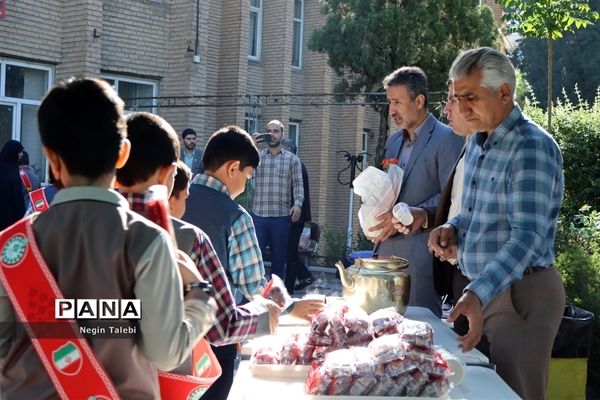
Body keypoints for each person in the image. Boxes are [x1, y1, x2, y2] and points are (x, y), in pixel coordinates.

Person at [0, 78, 217, 399]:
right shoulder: (147, 241)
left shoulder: (11, 247)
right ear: (122, 154)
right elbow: (165, 353)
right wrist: (201, 297)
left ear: (51, 159)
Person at [428, 47, 565, 400]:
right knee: (470, 391)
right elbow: (478, 213)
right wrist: (453, 228)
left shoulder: (531, 146)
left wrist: (477, 293)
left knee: (515, 395)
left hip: (521, 293)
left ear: (505, 93)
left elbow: (527, 238)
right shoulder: (477, 141)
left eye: (470, 97)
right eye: (457, 98)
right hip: (482, 291)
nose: (460, 108)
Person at [118, 115, 285, 398]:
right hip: (185, 368)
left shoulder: (69, 229)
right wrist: (268, 313)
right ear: (168, 173)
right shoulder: (186, 235)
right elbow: (223, 324)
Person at [184, 126, 323, 400]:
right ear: (233, 168)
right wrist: (292, 308)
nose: (247, 184)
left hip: (164, 337)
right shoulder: (236, 216)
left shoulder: (174, 198)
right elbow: (253, 284)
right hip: (214, 339)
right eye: (248, 176)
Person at [371, 66, 464, 317]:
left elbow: (453, 196)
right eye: (390, 102)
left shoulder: (448, 138)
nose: (391, 111)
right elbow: (390, 190)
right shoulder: (393, 142)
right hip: (385, 257)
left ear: (420, 100)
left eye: (397, 102)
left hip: (421, 259)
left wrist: (421, 214)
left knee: (419, 333)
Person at [251, 120, 304, 280]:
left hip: (281, 217)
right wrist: (251, 145)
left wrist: (298, 204)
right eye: (269, 131)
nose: (272, 135)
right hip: (259, 216)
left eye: (276, 131)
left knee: (278, 260)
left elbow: (298, 184)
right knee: (254, 260)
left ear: (282, 134)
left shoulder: (292, 160)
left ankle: (276, 299)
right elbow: (242, 169)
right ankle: (251, 299)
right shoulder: (257, 158)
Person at [281, 139, 315, 293]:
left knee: (289, 251)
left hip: (295, 216)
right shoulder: (296, 165)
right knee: (290, 251)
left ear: (289, 150)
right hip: (294, 215)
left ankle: (289, 286)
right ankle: (304, 277)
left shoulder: (296, 166)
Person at [0, 140, 25, 230]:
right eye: (20, 152)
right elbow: (17, 198)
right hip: (9, 220)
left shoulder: (10, 168)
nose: (21, 155)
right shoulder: (13, 172)